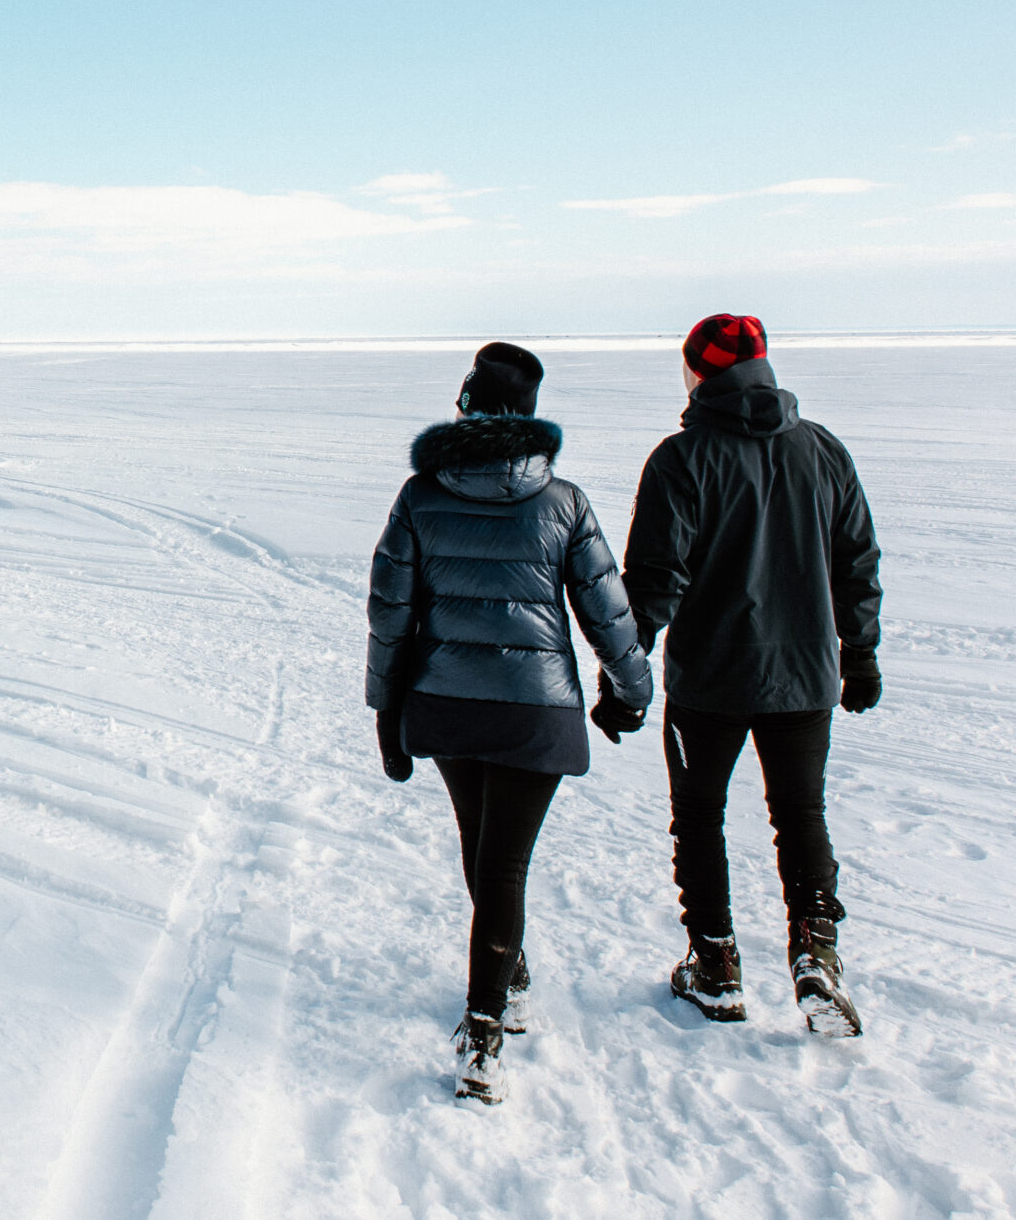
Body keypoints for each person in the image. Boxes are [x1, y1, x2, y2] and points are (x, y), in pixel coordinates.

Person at [366, 341, 654, 1105]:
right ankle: (490, 1014)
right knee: (502, 861)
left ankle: (501, 988)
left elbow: (390, 612)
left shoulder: (421, 494)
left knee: (482, 847)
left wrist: (386, 709)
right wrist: (632, 688)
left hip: (449, 701)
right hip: (536, 707)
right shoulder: (563, 501)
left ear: (466, 406)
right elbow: (605, 606)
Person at [622, 314, 883, 1037]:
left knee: (700, 816)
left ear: (696, 373)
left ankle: (715, 963)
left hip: (710, 680)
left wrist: (624, 669)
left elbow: (651, 581)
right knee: (800, 813)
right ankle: (816, 954)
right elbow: (856, 559)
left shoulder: (682, 459)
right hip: (804, 677)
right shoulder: (822, 449)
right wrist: (857, 651)